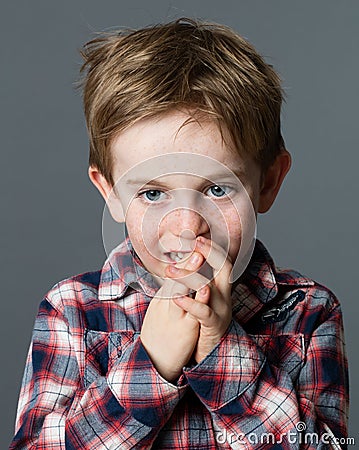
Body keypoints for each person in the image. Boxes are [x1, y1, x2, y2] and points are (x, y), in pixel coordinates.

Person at [10, 18, 349, 449]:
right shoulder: (73, 311)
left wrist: (222, 351)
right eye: (153, 193)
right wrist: (150, 362)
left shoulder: (307, 313)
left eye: (218, 188)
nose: (188, 226)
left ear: (268, 182)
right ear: (110, 192)